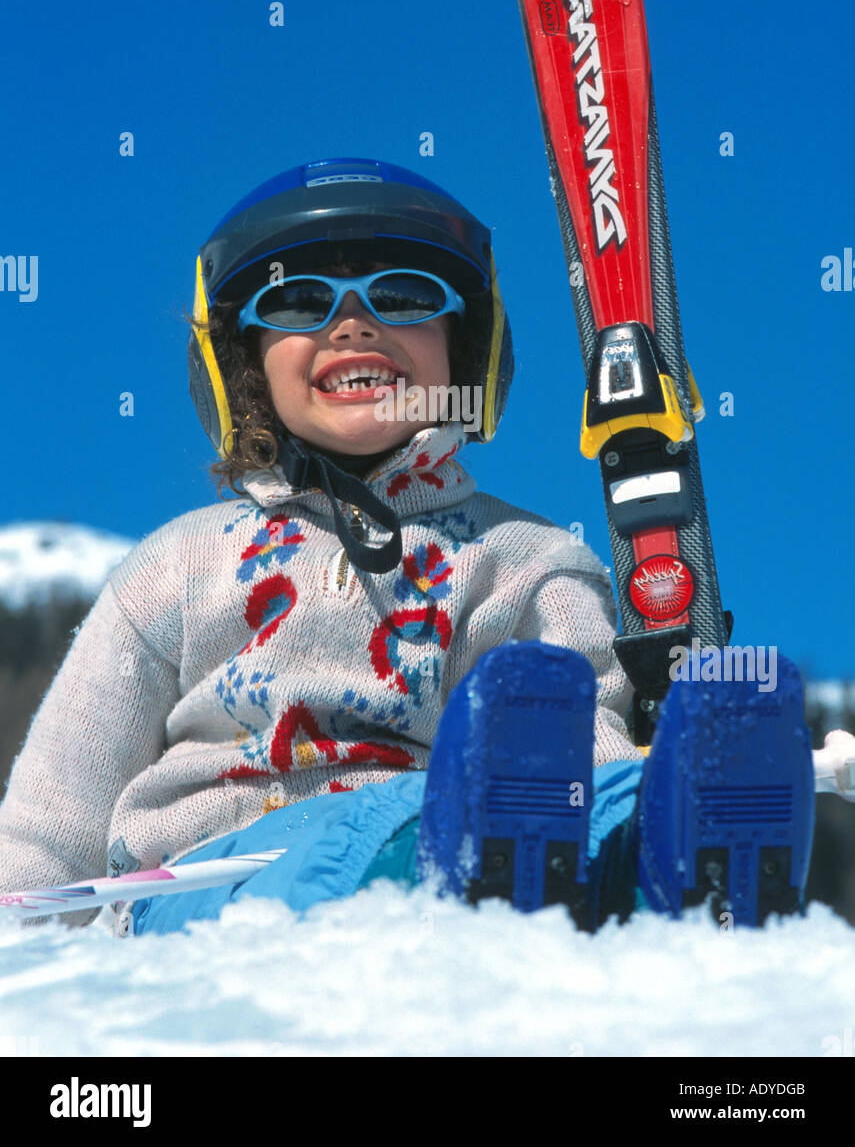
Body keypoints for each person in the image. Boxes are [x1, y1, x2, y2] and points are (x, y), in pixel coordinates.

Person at [0, 157, 659, 937]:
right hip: (200, 898)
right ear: (242, 369)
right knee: (370, 841)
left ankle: (674, 856)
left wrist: (631, 797)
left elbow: (587, 747)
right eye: (300, 300)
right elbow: (49, 828)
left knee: (585, 793)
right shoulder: (173, 569)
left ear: (466, 347)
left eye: (404, 294)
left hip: (460, 822)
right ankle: (468, 871)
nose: (352, 323)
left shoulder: (526, 559)